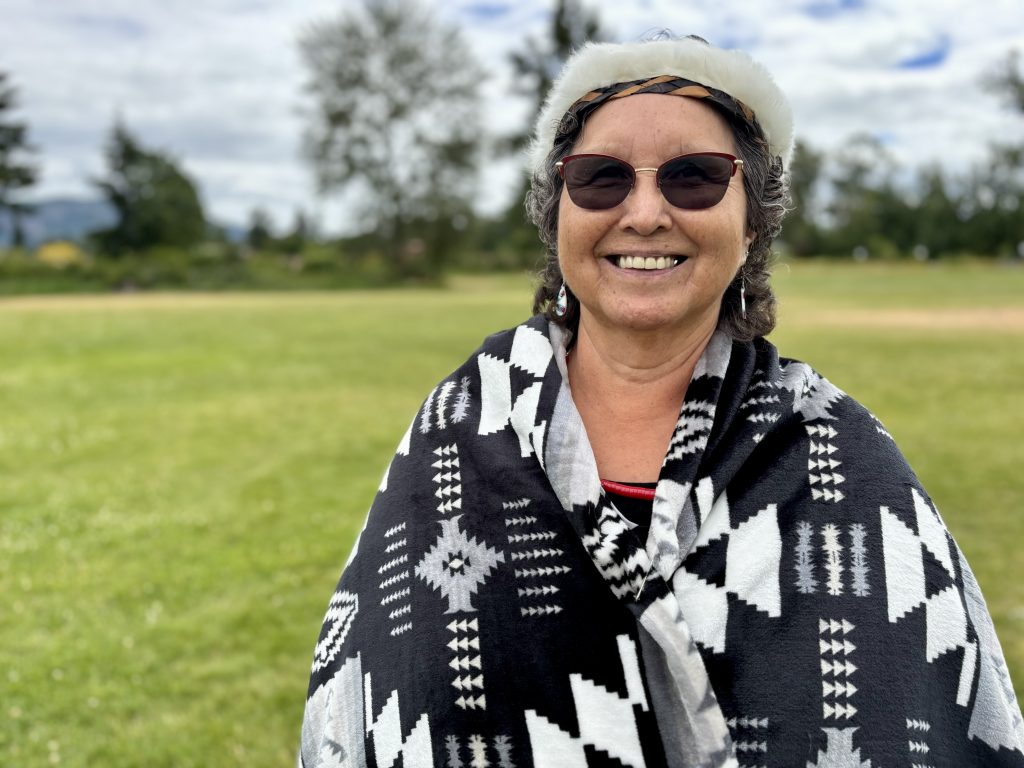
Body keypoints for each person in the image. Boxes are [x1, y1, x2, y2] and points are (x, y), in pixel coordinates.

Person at [298, 36, 1024, 768]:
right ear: (557, 216)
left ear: (753, 224)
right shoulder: (458, 429)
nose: (644, 213)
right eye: (601, 178)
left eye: (695, 177)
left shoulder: (842, 455)